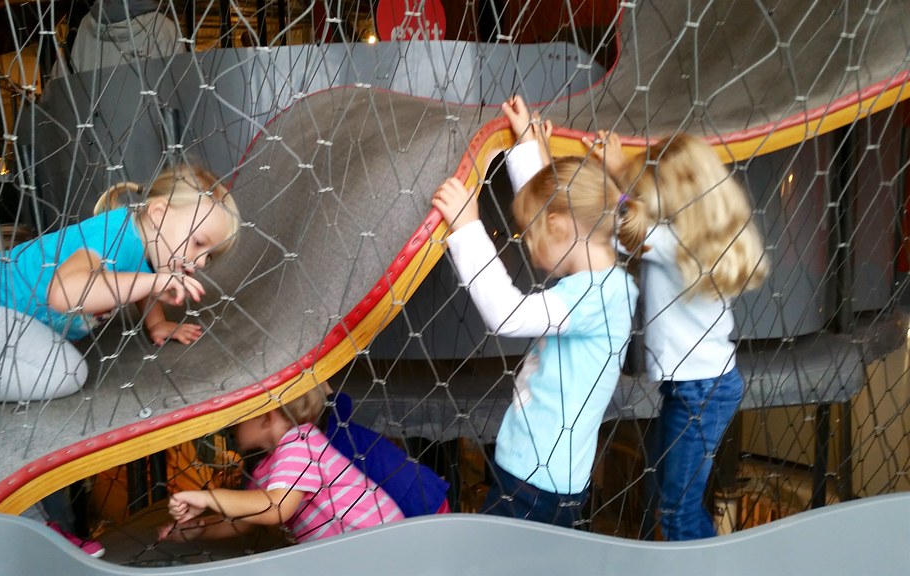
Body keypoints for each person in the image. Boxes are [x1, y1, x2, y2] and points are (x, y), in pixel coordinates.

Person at [429, 95, 637, 528]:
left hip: (536, 482)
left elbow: (507, 315)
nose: (529, 245)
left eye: (532, 234)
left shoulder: (594, 294)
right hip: (542, 473)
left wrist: (467, 228)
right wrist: (525, 145)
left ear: (560, 229)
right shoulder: (605, 258)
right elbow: (557, 204)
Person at [587, 130, 769, 540]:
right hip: (701, 385)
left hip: (699, 390)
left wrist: (616, 174)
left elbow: (624, 228)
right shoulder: (701, 239)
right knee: (672, 501)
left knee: (676, 510)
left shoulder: (676, 242)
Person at [0, 163, 240, 403]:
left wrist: (155, 323)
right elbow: (65, 294)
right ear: (158, 213)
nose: (200, 262)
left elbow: (142, 278)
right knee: (65, 372)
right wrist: (155, 282)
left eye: (209, 256)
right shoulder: (112, 234)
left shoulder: (146, 248)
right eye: (199, 242)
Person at [159, 385, 405, 544]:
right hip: (352, 553)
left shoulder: (300, 441)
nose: (230, 424)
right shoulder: (267, 468)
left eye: (237, 416)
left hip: (379, 546)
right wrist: (200, 530)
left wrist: (209, 498)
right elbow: (244, 520)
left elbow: (277, 507)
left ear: (267, 417)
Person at [323, 387, 450, 517]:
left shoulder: (322, 448)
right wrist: (324, 386)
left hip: (399, 504)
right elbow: (342, 400)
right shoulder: (336, 424)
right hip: (419, 485)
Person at [68, 0, 183, 74]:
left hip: (93, 111)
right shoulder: (164, 28)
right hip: (147, 111)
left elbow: (61, 88)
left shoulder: (84, 26)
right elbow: (182, 90)